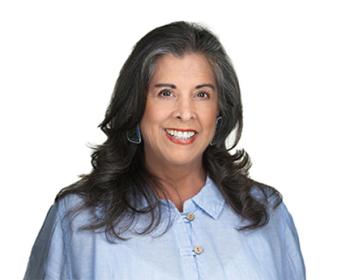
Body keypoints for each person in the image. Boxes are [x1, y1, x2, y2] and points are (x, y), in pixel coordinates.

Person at [24, 21, 306, 279]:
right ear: (136, 106)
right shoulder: (77, 219)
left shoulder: (267, 212)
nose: (185, 113)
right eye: (166, 93)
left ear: (219, 111)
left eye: (202, 94)